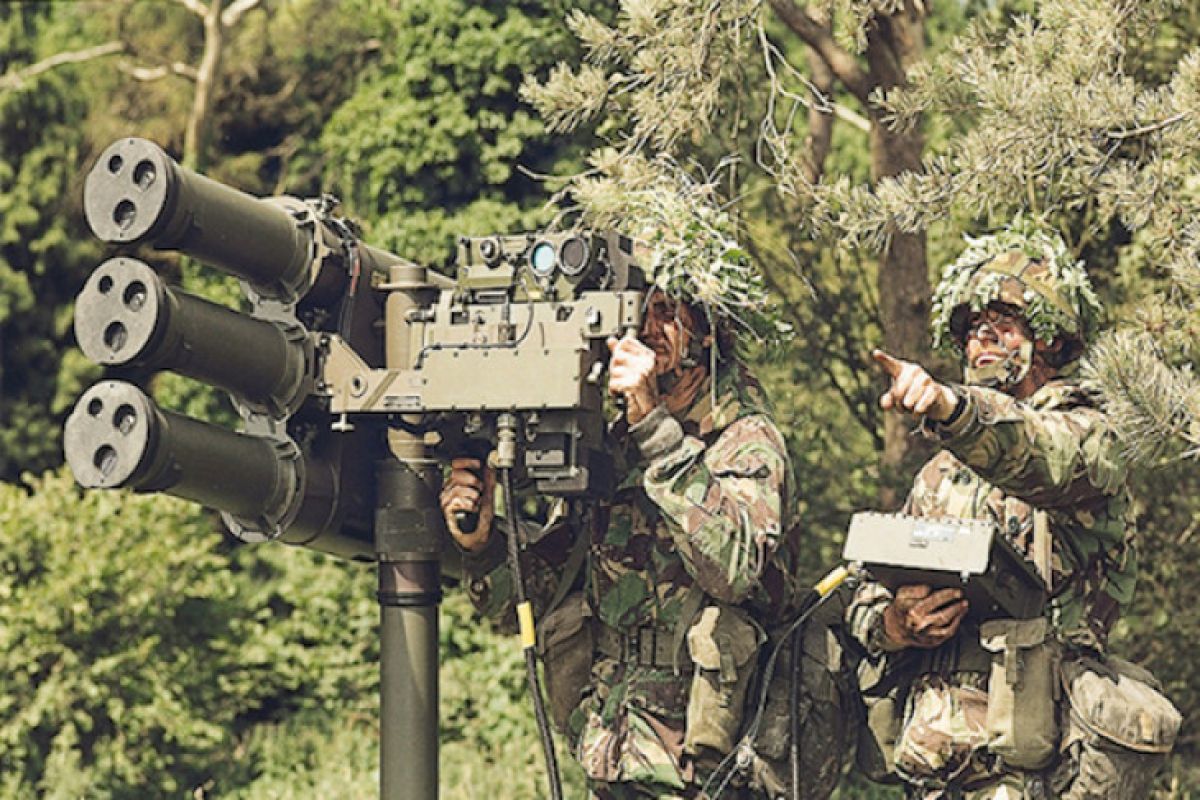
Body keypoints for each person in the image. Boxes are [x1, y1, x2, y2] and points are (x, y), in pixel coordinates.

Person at [440, 278, 852, 799]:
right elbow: (544, 591)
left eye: (667, 312)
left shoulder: (746, 440)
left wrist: (656, 429)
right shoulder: (614, 444)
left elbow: (734, 570)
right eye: (636, 310)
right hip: (617, 755)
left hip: (715, 766)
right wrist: (483, 544)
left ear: (707, 332)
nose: (646, 325)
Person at [847, 220, 1180, 799]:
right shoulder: (939, 475)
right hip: (935, 771)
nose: (984, 339)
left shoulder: (1093, 438)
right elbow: (862, 594)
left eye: (1004, 324)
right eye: (973, 329)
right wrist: (897, 624)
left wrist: (953, 409)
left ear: (1050, 338)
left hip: (1039, 770)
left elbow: (1036, 455)